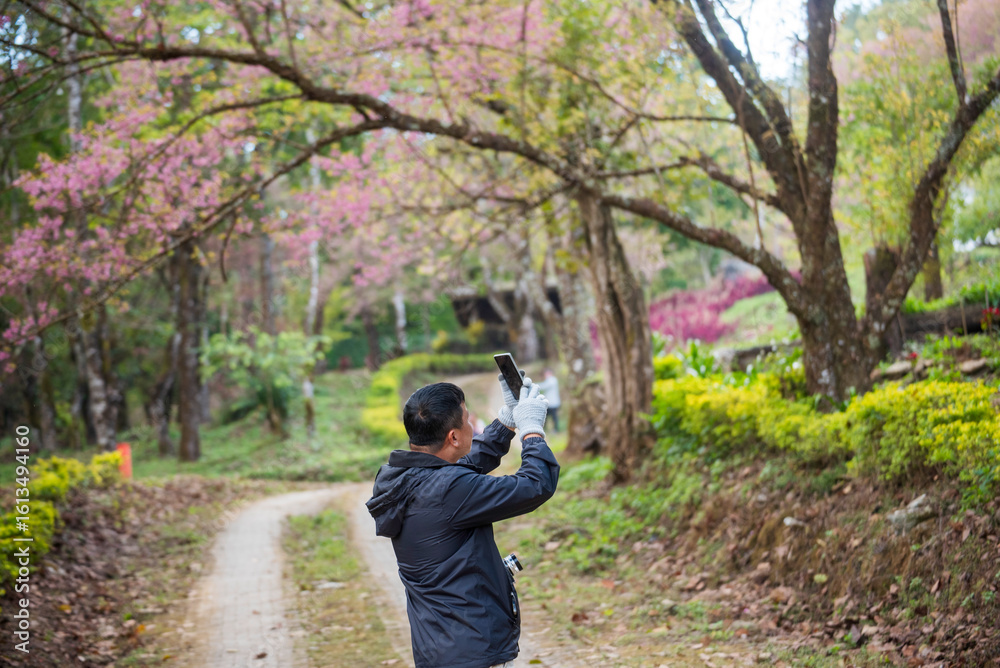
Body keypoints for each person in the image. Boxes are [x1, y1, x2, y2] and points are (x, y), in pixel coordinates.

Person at [366, 375, 559, 668]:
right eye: (467, 420)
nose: (471, 424)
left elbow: (461, 468)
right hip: (473, 651)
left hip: (439, 650)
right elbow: (535, 485)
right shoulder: (449, 490)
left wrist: (506, 421)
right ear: (454, 437)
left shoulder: (400, 478)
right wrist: (532, 431)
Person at [536, 368, 561, 433]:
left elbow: (544, 386)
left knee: (553, 417)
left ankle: (555, 429)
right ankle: (545, 429)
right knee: (546, 417)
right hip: (550, 403)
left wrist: (534, 385)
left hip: (553, 403)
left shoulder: (552, 380)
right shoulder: (550, 380)